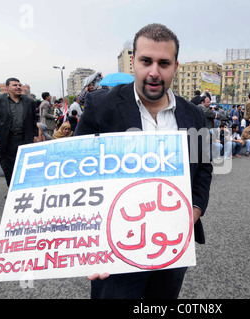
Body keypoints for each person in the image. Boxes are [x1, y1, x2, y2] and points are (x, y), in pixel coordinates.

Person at [75, 23, 213, 299]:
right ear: (133, 63)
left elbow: (204, 168)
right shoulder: (101, 106)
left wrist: (195, 209)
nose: (154, 72)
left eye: (163, 63)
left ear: (175, 66)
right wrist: (88, 241)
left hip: (172, 244)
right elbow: (78, 169)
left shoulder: (194, 115)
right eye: (146, 61)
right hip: (114, 247)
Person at [0, 77, 39, 186]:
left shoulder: (29, 102)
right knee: (9, 168)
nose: (18, 87)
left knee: (26, 167)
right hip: (6, 140)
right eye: (15, 85)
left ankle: (25, 191)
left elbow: (34, 120)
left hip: (25, 139)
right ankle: (12, 193)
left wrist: (36, 135)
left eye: (19, 85)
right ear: (7, 88)